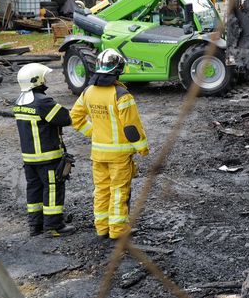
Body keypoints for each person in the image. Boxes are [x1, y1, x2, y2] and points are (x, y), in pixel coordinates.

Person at [70, 49, 149, 241]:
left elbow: (75, 117)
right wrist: (142, 149)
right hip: (119, 156)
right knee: (119, 191)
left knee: (101, 190)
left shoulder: (88, 92)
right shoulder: (122, 95)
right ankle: (117, 230)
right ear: (118, 69)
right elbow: (131, 127)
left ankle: (102, 227)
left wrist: (94, 133)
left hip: (98, 153)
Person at [13, 63, 72, 237]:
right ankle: (53, 226)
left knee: (34, 190)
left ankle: (35, 225)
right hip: (48, 158)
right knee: (53, 190)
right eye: (43, 77)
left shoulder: (19, 101)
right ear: (36, 80)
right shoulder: (43, 102)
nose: (45, 80)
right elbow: (65, 118)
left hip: (29, 159)